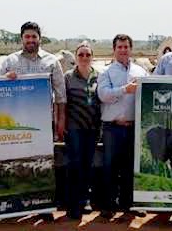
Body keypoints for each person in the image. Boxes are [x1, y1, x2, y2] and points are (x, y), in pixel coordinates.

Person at [97, 33, 148, 218]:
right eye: (119, 47)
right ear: (114, 49)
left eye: (126, 47)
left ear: (131, 49)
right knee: (110, 167)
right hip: (113, 127)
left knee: (130, 168)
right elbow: (103, 95)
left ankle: (128, 204)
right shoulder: (106, 72)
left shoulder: (141, 72)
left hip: (134, 127)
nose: (123, 50)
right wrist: (125, 89)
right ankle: (108, 205)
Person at [0, 21, 67, 141]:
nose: (31, 40)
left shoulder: (52, 61)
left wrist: (61, 120)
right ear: (21, 38)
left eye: (34, 36)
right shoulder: (10, 61)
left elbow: (60, 95)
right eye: (27, 37)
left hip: (44, 119)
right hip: (15, 120)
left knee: (44, 152)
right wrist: (5, 79)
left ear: (40, 38)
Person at [63, 42, 102, 220]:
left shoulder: (99, 76)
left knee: (87, 164)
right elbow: (62, 101)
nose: (84, 58)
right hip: (74, 127)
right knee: (74, 164)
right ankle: (72, 203)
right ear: (75, 57)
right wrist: (61, 123)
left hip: (92, 128)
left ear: (92, 57)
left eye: (87, 55)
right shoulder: (68, 77)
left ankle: (85, 199)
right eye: (81, 55)